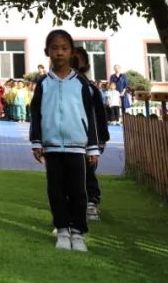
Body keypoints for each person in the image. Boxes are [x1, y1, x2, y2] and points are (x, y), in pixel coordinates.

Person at [31, 29, 102, 253]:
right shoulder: (43, 83)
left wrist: (93, 147)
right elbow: (36, 114)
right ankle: (62, 229)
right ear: (47, 52)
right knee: (56, 190)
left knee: (78, 191)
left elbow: (90, 117)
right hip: (51, 147)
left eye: (64, 48)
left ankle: (78, 232)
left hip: (77, 147)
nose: (59, 52)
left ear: (71, 52)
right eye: (55, 48)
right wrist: (36, 141)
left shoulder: (81, 84)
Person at [72, 47, 111, 222]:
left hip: (89, 140)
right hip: (69, 140)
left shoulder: (90, 89)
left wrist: (101, 140)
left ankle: (91, 203)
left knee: (88, 172)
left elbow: (99, 116)